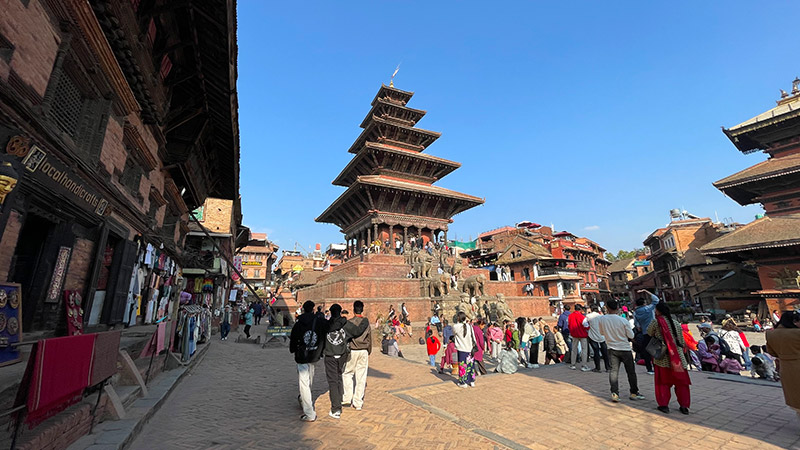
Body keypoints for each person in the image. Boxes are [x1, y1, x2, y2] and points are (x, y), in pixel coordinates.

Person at [323, 303, 369, 419]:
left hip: (330, 354)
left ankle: (336, 408)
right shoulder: (346, 324)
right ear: (340, 312)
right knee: (339, 378)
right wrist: (365, 322)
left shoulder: (326, 325)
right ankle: (342, 400)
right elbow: (357, 331)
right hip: (342, 354)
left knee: (333, 381)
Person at [594, 299, 645, 403]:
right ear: (617, 308)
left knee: (613, 372)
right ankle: (634, 392)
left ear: (607, 308)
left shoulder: (602, 319)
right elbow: (631, 335)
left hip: (612, 348)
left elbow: (601, 332)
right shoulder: (623, 320)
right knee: (631, 372)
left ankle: (615, 393)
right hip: (625, 348)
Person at [647, 302, 691, 414]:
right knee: (681, 384)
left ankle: (664, 405)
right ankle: (684, 406)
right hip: (678, 358)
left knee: (663, 383)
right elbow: (681, 341)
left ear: (658, 311)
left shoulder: (656, 322)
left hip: (663, 357)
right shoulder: (676, 323)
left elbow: (649, 332)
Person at [289, 301, 326, 422]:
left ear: (303, 309)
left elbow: (294, 339)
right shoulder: (319, 321)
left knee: (304, 383)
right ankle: (304, 400)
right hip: (314, 354)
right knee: (309, 379)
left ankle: (309, 412)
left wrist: (293, 349)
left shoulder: (299, 323)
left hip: (302, 355)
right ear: (313, 309)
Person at [766, 311, 800, 418]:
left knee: (796, 399)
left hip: (786, 369)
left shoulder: (771, 334)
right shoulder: (797, 333)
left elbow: (772, 352)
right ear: (794, 321)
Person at [342, 301, 371, 411]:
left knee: (347, 373)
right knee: (361, 376)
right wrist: (368, 350)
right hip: (363, 350)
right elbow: (369, 338)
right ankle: (358, 402)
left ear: (353, 310)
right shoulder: (366, 323)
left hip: (353, 350)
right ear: (362, 310)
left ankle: (347, 398)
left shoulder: (349, 323)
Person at [634, 289, 660, 375]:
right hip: (654, 332)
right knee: (656, 351)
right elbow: (656, 300)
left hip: (645, 333)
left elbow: (637, 325)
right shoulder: (648, 309)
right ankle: (658, 368)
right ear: (644, 303)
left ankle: (649, 369)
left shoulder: (636, 312)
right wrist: (646, 291)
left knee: (646, 352)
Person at [453, 312, 477, 388]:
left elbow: (454, 333)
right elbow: (473, 337)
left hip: (462, 349)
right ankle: (472, 381)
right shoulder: (469, 326)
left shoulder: (456, 326)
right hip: (470, 348)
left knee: (463, 366)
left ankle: (463, 382)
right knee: (471, 365)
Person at [586, 306, 610, 373]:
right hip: (602, 336)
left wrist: (589, 327)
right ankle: (608, 367)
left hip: (592, 335)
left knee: (596, 352)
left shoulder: (588, 316)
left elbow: (584, 323)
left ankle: (598, 367)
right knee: (605, 352)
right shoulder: (602, 317)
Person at [568, 304, 590, 371]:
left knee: (574, 349)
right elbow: (586, 326)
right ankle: (584, 365)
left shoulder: (570, 316)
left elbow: (568, 325)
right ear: (580, 309)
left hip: (574, 334)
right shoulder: (582, 317)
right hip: (583, 335)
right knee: (584, 350)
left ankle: (573, 364)